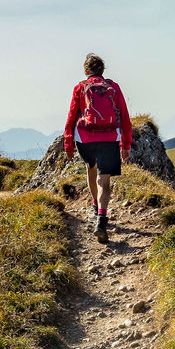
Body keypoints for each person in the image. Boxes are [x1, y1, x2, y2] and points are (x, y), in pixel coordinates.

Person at [63, 53, 132, 243]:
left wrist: (68, 144)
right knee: (105, 180)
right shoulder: (114, 88)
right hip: (109, 137)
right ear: (103, 70)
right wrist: (126, 145)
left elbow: (71, 117)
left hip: (84, 138)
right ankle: (102, 218)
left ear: (86, 71)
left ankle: (95, 206)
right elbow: (125, 117)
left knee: (91, 169)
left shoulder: (81, 87)